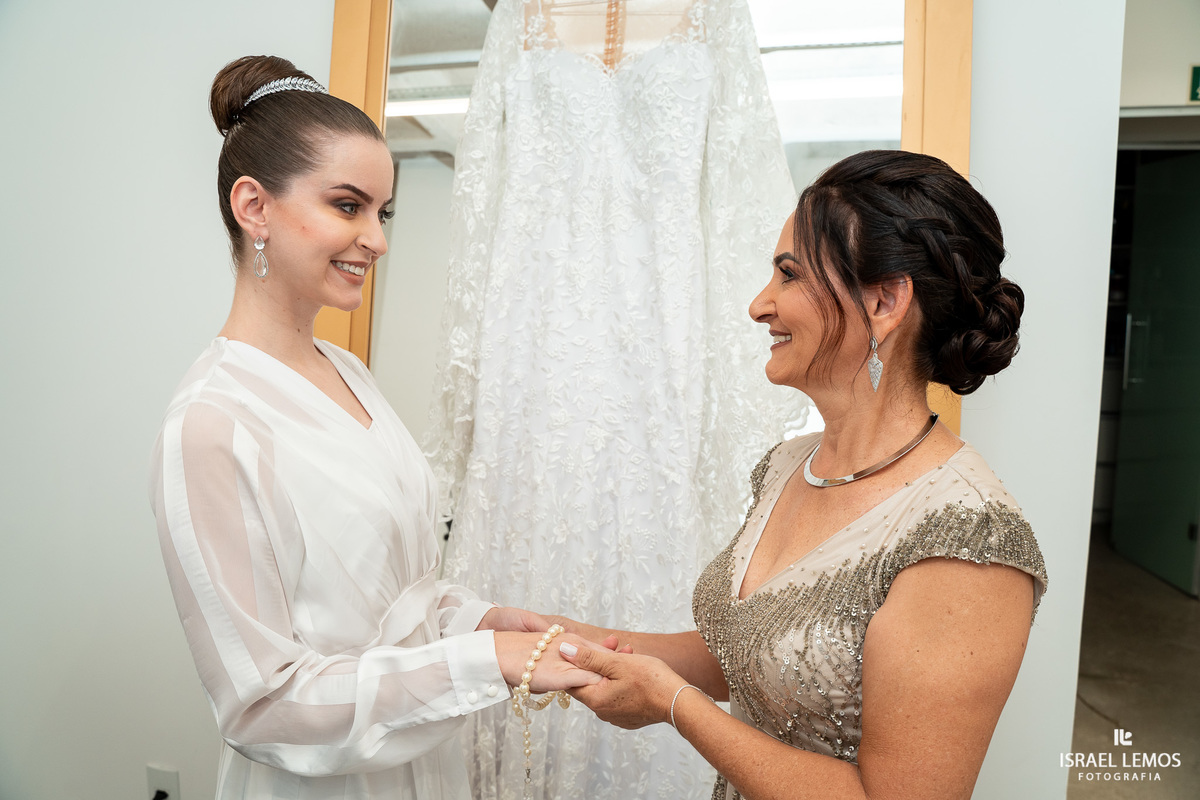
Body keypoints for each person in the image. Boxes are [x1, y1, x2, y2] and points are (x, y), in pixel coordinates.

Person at [148, 56, 603, 800]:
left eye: (381, 213)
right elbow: (262, 707)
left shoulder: (348, 373)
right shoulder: (211, 425)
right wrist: (483, 662)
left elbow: (393, 597)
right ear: (253, 206)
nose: (378, 239)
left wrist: (485, 620)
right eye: (348, 205)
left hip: (419, 769)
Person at [554, 150, 1049, 799]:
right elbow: (750, 654)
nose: (760, 305)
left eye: (789, 275)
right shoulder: (790, 465)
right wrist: (571, 642)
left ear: (884, 300)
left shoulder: (968, 542)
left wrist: (675, 706)